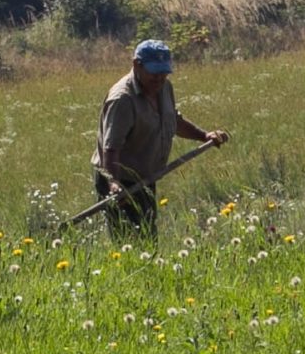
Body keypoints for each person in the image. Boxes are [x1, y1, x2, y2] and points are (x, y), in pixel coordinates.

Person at [92, 39, 226, 238]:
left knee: (147, 236)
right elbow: (110, 148)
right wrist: (114, 183)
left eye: (164, 72)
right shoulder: (122, 100)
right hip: (119, 178)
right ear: (137, 65)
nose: (160, 78)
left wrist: (204, 136)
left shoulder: (163, 88)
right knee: (127, 241)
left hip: (145, 177)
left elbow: (173, 121)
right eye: (154, 73)